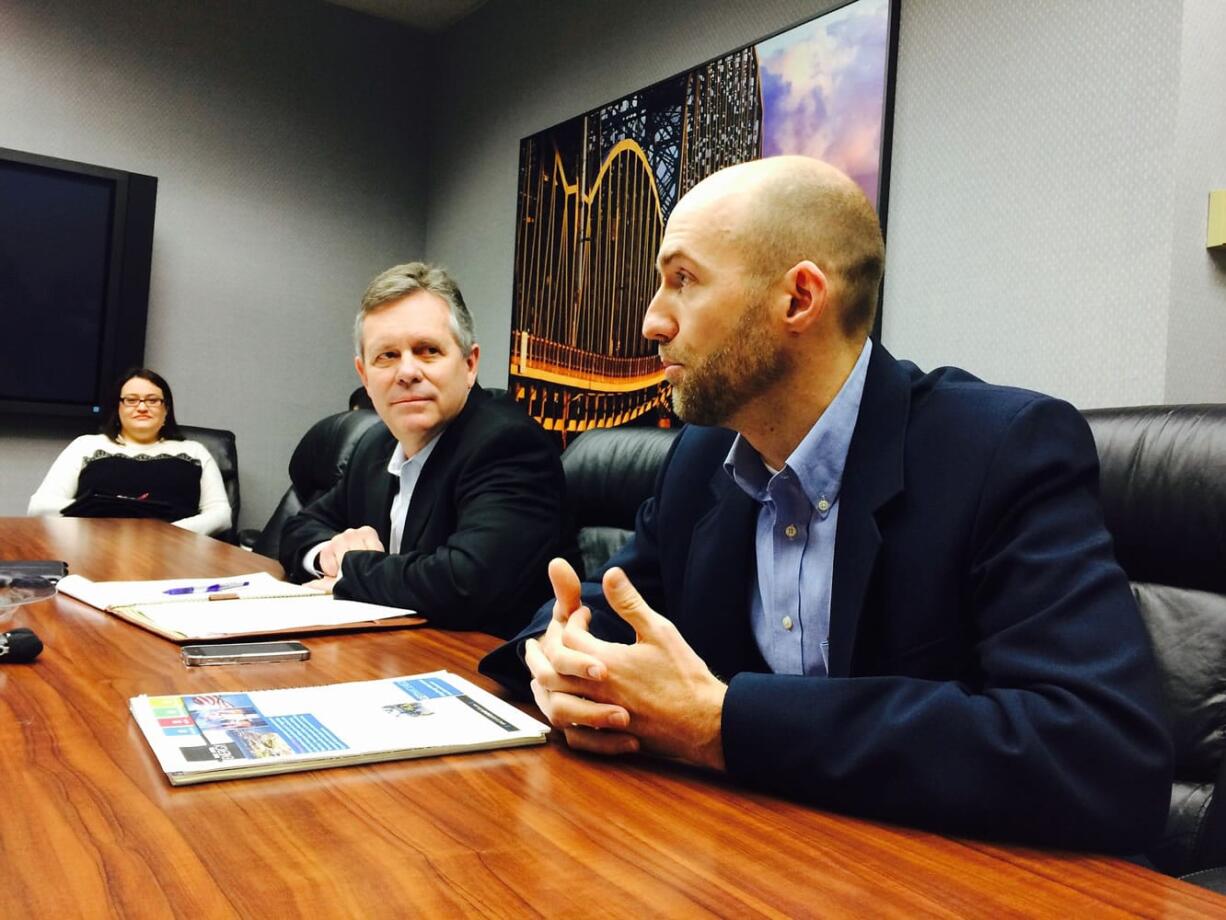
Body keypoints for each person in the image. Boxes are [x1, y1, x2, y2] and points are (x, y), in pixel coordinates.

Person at [479, 156, 1174, 853]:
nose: (652, 321)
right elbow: (609, 603)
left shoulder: (1002, 451)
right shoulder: (699, 459)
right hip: (749, 859)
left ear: (799, 299)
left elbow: (1102, 754)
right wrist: (559, 651)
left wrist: (724, 723)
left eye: (682, 281)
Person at [279, 261, 576, 638]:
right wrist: (326, 554)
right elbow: (299, 528)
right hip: (390, 654)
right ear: (364, 376)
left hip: (489, 674)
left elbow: (465, 583)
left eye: (428, 350)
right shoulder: (375, 445)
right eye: (386, 355)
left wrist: (351, 570)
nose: (407, 372)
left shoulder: (508, 444)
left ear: (470, 364)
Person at [27, 368, 231, 535]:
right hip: (95, 546)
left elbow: (221, 515)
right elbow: (39, 506)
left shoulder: (195, 451)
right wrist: (101, 516)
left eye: (152, 400)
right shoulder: (86, 446)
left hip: (175, 551)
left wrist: (169, 533)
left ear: (166, 409)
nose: (142, 407)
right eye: (131, 400)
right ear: (118, 409)